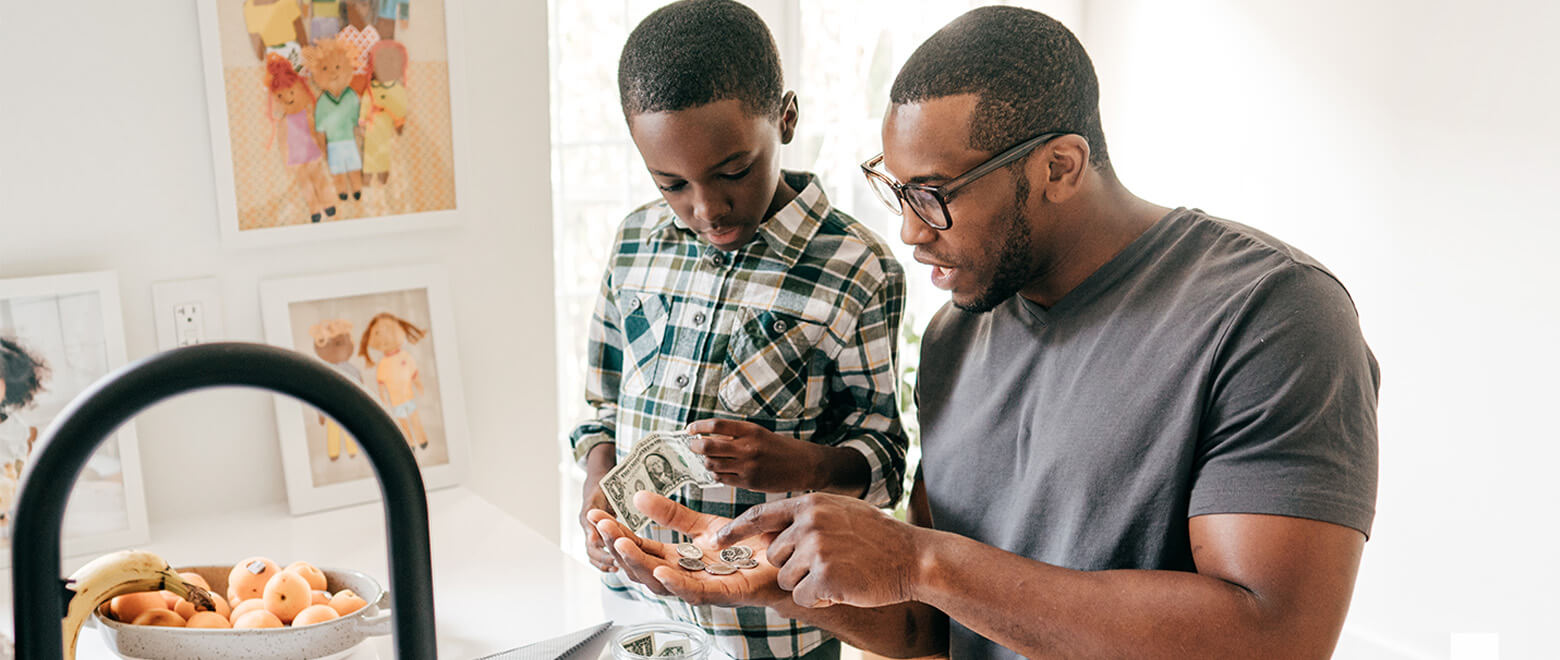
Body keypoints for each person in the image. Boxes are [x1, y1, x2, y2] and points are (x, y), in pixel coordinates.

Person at [589, 6, 1380, 659]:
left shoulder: (1271, 315)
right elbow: (931, 620)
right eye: (895, 189)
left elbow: (1275, 637)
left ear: (1060, 167)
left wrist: (917, 557)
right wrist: (775, 576)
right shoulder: (953, 339)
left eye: (932, 194)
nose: (906, 230)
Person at [568, 1, 909, 657]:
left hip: (779, 629)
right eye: (671, 183)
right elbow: (600, 410)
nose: (707, 208)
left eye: (732, 172)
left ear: (785, 117)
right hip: (637, 613)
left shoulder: (857, 269)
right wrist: (596, 493)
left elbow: (885, 463)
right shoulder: (635, 243)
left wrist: (798, 463)